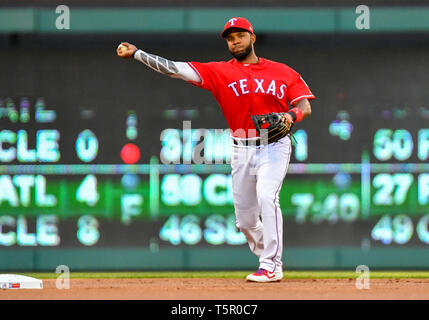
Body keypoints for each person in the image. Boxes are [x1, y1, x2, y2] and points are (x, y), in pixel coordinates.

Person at [117, 17, 315, 282]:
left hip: (274, 146)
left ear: (252, 38)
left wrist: (291, 116)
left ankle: (271, 264)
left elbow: (304, 105)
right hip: (241, 147)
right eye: (230, 38)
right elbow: (174, 68)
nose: (235, 41)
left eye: (240, 36)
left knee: (268, 197)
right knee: (245, 222)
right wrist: (138, 54)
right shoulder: (219, 72)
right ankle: (267, 258)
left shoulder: (282, 71)